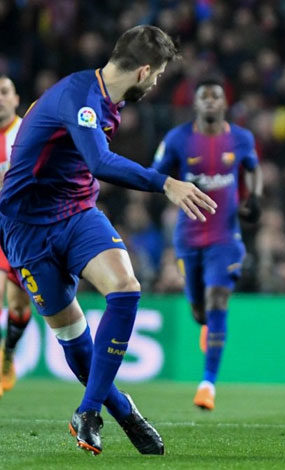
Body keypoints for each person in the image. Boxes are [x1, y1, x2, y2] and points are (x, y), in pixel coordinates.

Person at [0, 26, 217, 455]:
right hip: (26, 229)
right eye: (158, 75)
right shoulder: (81, 98)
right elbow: (99, 161)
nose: (156, 84)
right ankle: (124, 410)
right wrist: (165, 183)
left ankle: (89, 411)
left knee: (126, 288)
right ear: (143, 71)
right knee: (74, 340)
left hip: (77, 212)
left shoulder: (104, 98)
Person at [153, 77, 262, 411]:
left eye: (216, 96)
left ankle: (207, 384)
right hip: (188, 238)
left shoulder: (241, 138)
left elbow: (253, 169)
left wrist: (255, 197)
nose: (211, 101)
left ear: (225, 103)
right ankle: (207, 325)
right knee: (200, 310)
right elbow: (155, 174)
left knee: (217, 298)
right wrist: (168, 188)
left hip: (225, 237)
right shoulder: (177, 139)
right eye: (205, 96)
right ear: (196, 103)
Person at [0, 76, 32, 398]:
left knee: (19, 305)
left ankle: (7, 352)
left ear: (15, 98)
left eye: (4, 92)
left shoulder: (26, 133)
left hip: (20, 227)